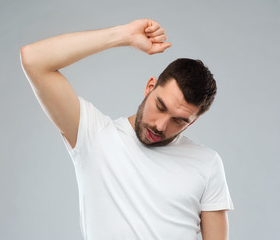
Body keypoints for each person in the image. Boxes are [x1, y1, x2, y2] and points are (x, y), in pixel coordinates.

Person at [20, 18, 234, 240]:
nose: (160, 125)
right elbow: (34, 59)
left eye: (178, 121)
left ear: (192, 122)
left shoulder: (207, 163)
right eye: (160, 107)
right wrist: (124, 36)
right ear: (150, 87)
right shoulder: (94, 136)